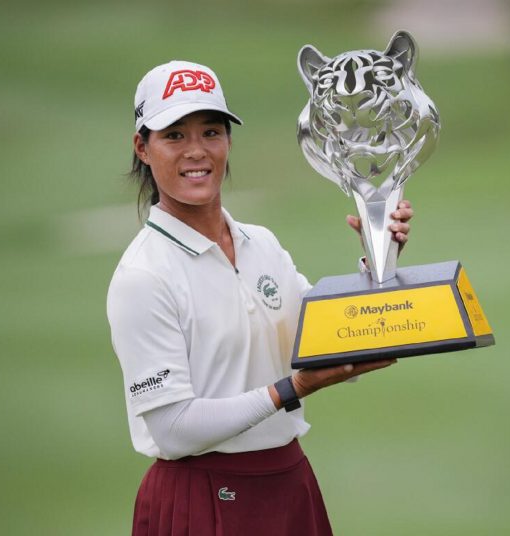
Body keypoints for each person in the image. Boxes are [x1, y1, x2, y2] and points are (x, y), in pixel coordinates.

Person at [106, 59, 414, 536]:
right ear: (142, 148)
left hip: (287, 483)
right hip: (199, 497)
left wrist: (379, 257)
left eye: (211, 132)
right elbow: (173, 428)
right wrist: (293, 389)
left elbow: (327, 344)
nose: (197, 152)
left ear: (228, 141)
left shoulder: (261, 244)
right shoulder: (144, 275)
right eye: (174, 136)